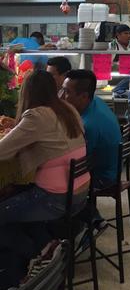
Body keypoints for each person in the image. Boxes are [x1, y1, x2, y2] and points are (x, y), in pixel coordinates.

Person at [0, 70, 89, 226]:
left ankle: (31, 246)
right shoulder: (68, 108)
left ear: (26, 92)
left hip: (56, 199)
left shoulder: (37, 116)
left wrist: (12, 135)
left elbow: (3, 151)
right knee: (10, 191)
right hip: (81, 193)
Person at [62, 70, 121, 189]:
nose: (62, 96)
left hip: (102, 178)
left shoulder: (89, 125)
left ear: (84, 96)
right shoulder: (95, 101)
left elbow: (77, 162)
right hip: (112, 170)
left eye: (67, 92)